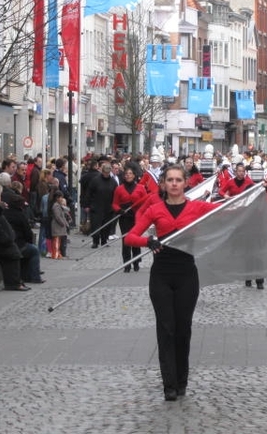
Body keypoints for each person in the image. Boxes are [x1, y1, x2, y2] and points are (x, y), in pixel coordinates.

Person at [124, 164, 219, 401]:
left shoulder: (198, 207)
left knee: (182, 329)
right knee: (166, 328)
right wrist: (149, 242)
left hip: (187, 274)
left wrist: (261, 191)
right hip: (161, 276)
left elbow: (230, 210)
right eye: (170, 180)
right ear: (164, 184)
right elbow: (130, 237)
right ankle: (169, 384)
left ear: (186, 183)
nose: (174, 184)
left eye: (178, 179)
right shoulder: (155, 209)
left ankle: (182, 380)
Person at [112, 165, 147, 272]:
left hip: (136, 217)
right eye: (126, 174)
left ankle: (136, 262)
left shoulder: (140, 188)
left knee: (135, 239)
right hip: (124, 217)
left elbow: (146, 202)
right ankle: (127, 264)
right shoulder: (119, 189)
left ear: (134, 175)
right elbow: (114, 204)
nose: (128, 176)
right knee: (126, 240)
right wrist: (119, 210)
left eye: (130, 174)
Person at [4, 194, 45, 283]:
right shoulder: (20, 215)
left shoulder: (4, 213)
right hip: (18, 244)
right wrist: (29, 241)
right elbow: (28, 233)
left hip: (7, 243)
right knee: (34, 250)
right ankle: (35, 277)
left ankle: (25, 275)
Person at [86, 163, 118, 248]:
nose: (106, 174)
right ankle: (95, 241)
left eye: (108, 173)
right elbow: (89, 193)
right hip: (96, 207)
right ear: (102, 171)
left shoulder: (113, 182)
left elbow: (116, 195)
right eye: (105, 172)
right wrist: (87, 205)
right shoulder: (95, 180)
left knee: (107, 225)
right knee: (96, 225)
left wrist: (115, 206)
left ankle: (104, 240)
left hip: (108, 208)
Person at [50, 190, 70, 259]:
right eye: (60, 197)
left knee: (59, 241)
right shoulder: (56, 206)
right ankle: (55, 255)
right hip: (57, 226)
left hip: (59, 226)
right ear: (57, 198)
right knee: (56, 241)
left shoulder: (59, 205)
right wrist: (63, 223)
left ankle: (58, 254)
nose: (61, 199)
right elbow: (57, 216)